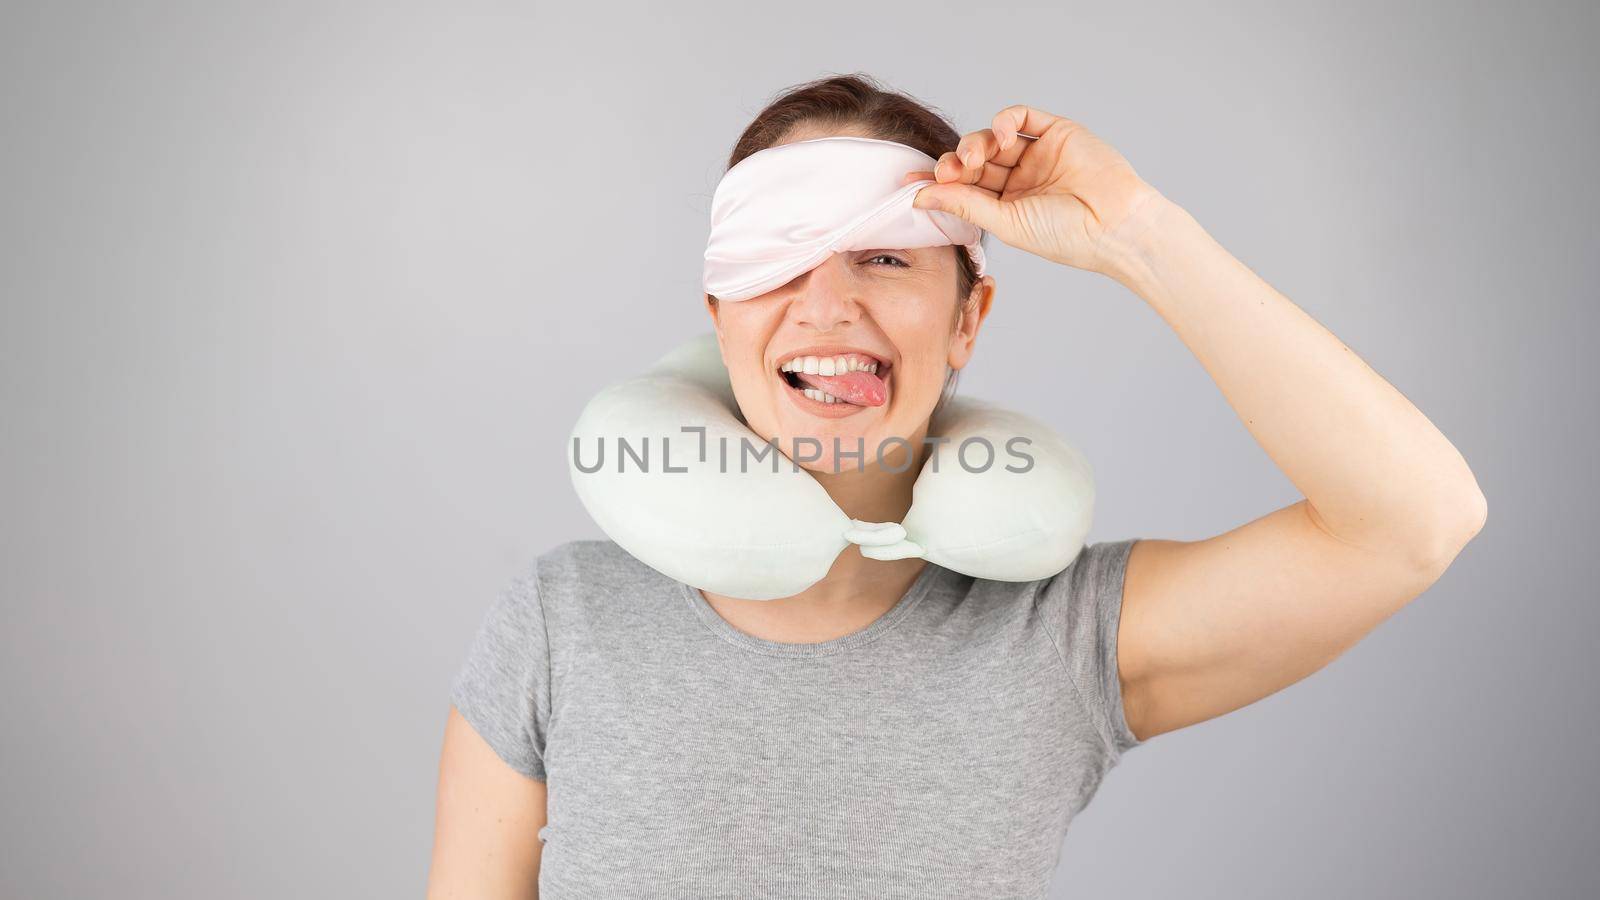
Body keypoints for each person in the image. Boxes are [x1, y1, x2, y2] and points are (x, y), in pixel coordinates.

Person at [426, 74, 1486, 898]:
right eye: (779, 260)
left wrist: (1134, 233)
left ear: (968, 319)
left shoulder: (1060, 635)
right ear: (719, 314)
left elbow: (1415, 523)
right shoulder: (563, 619)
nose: (827, 303)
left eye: (886, 258)